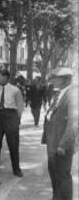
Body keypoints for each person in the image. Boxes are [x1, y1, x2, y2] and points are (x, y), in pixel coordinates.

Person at [42, 68, 78, 200]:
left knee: (62, 176)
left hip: (61, 145)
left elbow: (73, 123)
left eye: (56, 78)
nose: (53, 81)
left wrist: (63, 145)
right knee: (54, 174)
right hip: (53, 141)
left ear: (66, 80)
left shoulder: (73, 95)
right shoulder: (59, 93)